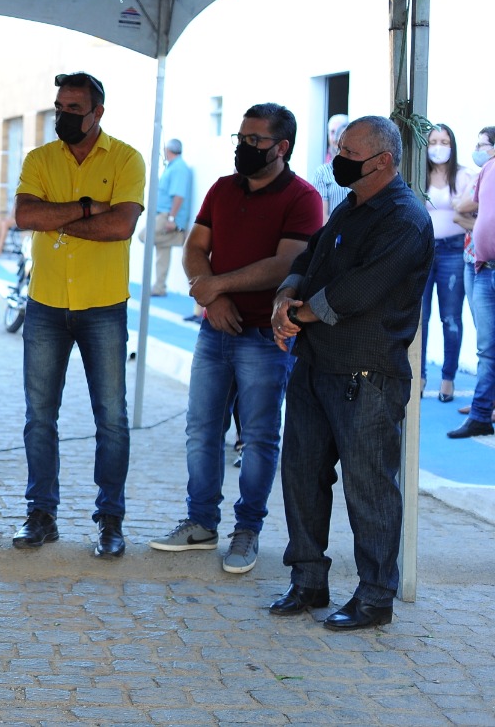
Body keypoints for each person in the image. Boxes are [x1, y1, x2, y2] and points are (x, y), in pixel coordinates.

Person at [269, 115, 432, 631]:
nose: (338, 160)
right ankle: (308, 580)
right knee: (300, 475)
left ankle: (375, 596)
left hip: (367, 377)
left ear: (382, 161)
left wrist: (297, 314)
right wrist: (285, 295)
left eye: (349, 152)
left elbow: (359, 292)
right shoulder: (351, 206)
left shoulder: (405, 219)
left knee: (369, 488)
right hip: (316, 366)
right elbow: (312, 255)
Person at [148, 104, 321, 574]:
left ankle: (247, 531)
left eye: (255, 141)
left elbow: (286, 264)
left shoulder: (303, 198)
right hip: (215, 331)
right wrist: (212, 299)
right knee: (201, 430)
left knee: (259, 438)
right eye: (240, 138)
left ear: (281, 147)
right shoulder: (222, 188)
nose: (244, 147)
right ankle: (201, 524)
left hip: (266, 337)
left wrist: (217, 287)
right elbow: (194, 248)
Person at [10, 72, 145, 558]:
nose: (63, 116)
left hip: (103, 306)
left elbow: (121, 226)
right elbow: (27, 217)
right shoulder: (39, 159)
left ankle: (111, 521)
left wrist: (60, 215)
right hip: (45, 304)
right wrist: (89, 207)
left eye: (73, 109)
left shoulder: (127, 158)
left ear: (97, 113)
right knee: (39, 418)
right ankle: (40, 515)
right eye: (59, 108)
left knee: (111, 418)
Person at [448, 125, 495, 437]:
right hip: (483, 267)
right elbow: (461, 207)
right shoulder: (488, 169)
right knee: (487, 348)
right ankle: (481, 414)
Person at [419, 124, 471, 404]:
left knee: (450, 317)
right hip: (423, 250)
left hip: (453, 251)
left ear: (452, 145)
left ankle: (448, 377)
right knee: (421, 317)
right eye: (434, 141)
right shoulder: (419, 175)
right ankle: (421, 374)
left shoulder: (464, 175)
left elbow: (473, 207)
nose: (439, 146)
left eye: (444, 141)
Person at [138, 138, 193, 296]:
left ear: (168, 151)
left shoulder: (179, 169)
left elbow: (178, 196)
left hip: (167, 216)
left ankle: (181, 238)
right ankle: (160, 287)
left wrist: (171, 219)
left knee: (145, 237)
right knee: (162, 251)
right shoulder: (173, 167)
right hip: (163, 214)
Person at [311, 114, 349, 222]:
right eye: (332, 132)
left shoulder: (362, 171)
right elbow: (322, 218)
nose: (336, 138)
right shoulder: (322, 172)